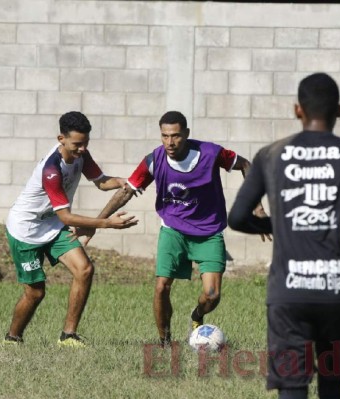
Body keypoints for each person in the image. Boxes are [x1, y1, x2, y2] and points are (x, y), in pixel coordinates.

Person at [228, 73, 340, 399]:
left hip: (288, 293)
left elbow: (238, 217)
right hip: (338, 291)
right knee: (332, 383)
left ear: (297, 110)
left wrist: (275, 225)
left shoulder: (271, 155)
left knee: (291, 386)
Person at [95, 111, 268, 347]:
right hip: (173, 230)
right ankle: (165, 341)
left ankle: (197, 317)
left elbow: (246, 164)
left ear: (186, 133)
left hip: (208, 233)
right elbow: (126, 190)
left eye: (175, 136)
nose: (170, 142)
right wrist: (99, 222)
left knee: (212, 295)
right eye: (165, 136)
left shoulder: (211, 153)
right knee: (161, 287)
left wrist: (257, 208)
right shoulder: (154, 160)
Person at [4, 111, 138, 347]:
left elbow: (101, 181)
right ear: (61, 139)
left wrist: (121, 181)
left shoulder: (81, 154)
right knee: (35, 293)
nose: (82, 149)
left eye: (86, 143)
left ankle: (68, 336)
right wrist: (106, 223)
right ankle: (12, 338)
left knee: (84, 270)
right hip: (26, 230)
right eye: (77, 144)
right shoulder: (51, 170)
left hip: (52, 225)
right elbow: (66, 216)